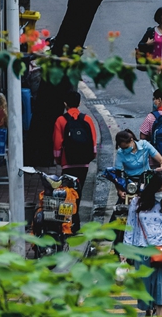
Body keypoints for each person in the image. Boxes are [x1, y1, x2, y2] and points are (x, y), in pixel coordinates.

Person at [123, 170, 162, 316]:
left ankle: (160, 312)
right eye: (158, 190)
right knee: (145, 286)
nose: (160, 194)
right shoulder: (137, 203)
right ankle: (149, 311)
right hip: (142, 249)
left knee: (161, 288)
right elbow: (130, 226)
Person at [53, 90, 97, 230]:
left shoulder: (61, 120)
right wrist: (89, 158)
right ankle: (75, 223)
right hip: (83, 163)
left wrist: (59, 160)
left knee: (67, 193)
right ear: (79, 103)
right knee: (79, 191)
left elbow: (57, 145)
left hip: (68, 163)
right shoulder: (87, 119)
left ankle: (69, 223)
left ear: (65, 104)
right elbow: (94, 144)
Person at [114, 129, 162, 200]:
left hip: (147, 179)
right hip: (131, 182)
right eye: (122, 148)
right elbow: (117, 174)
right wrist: (120, 191)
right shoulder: (120, 153)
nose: (125, 150)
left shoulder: (145, 145)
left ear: (132, 140)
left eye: (126, 147)